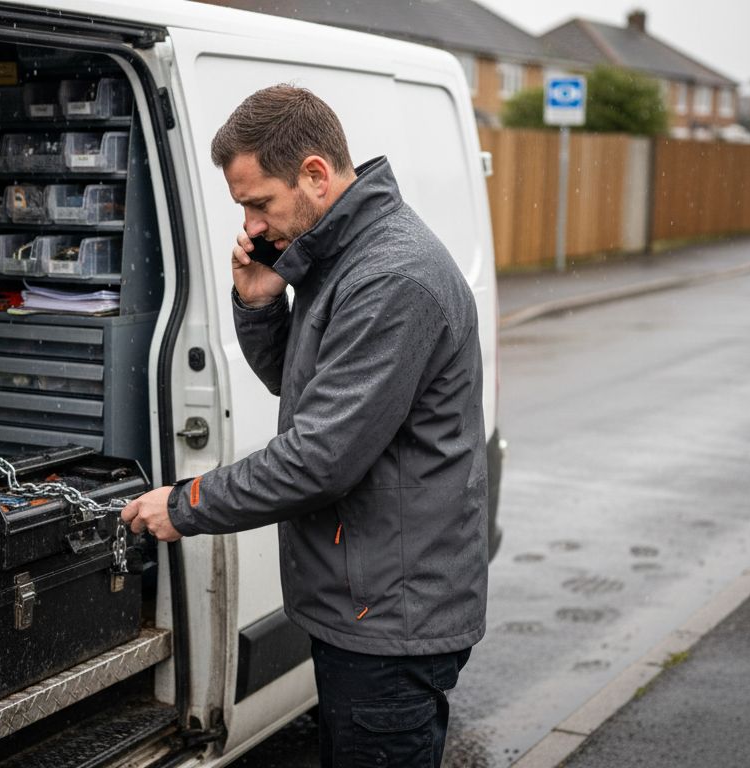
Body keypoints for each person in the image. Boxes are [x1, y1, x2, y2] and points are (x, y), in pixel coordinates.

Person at [121, 84, 488, 767]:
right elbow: (318, 395)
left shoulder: (391, 277)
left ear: (315, 174)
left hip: (389, 619)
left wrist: (185, 504)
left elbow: (319, 457)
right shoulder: (345, 258)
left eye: (259, 203)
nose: (253, 227)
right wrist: (261, 306)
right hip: (367, 607)